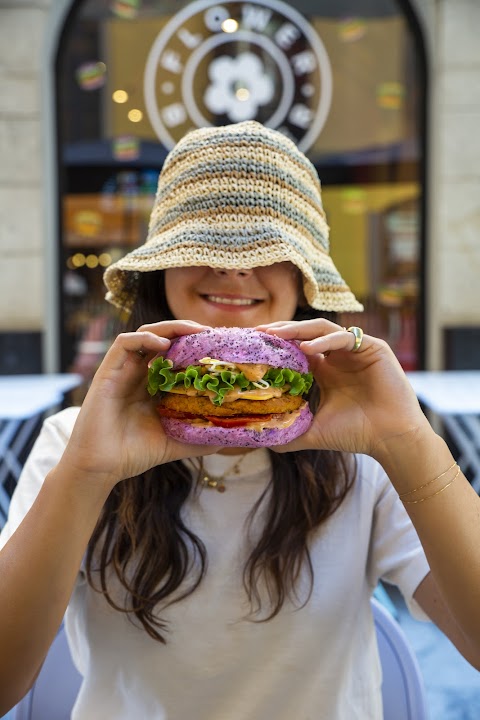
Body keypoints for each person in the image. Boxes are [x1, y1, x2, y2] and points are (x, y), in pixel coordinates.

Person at [1, 121, 480, 719]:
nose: (233, 270)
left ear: (306, 282)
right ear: (161, 271)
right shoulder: (72, 442)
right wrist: (88, 472)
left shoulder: (364, 455)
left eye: (266, 251)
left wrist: (409, 441)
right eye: (202, 246)